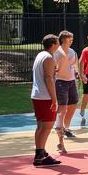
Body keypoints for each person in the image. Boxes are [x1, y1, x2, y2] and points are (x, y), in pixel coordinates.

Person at [31, 35, 61, 167]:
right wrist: (54, 99)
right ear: (53, 44)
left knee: (41, 126)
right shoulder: (49, 57)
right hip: (45, 97)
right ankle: (39, 155)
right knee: (47, 127)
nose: (59, 44)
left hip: (37, 95)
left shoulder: (41, 55)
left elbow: (47, 74)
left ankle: (40, 153)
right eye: (58, 42)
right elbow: (48, 78)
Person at [53, 30, 79, 152]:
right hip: (60, 82)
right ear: (64, 40)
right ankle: (60, 133)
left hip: (71, 81)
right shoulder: (57, 53)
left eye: (72, 39)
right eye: (70, 39)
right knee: (62, 108)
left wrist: (79, 74)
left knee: (73, 105)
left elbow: (74, 65)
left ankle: (66, 127)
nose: (72, 41)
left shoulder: (72, 51)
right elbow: (53, 68)